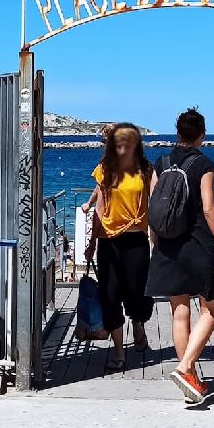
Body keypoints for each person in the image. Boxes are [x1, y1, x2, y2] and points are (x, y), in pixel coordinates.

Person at [146, 108, 214, 404]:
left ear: (177, 132)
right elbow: (208, 207)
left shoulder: (161, 161)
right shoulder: (204, 163)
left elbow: (153, 204)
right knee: (211, 308)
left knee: (179, 311)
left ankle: (191, 378)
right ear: (202, 135)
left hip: (167, 244)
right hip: (197, 243)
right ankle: (185, 368)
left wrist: (154, 239)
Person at [82, 122, 154, 370]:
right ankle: (119, 351)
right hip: (108, 240)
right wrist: (91, 242)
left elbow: (154, 204)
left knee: (138, 292)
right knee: (110, 295)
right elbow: (99, 209)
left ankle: (138, 324)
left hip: (137, 239)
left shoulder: (145, 168)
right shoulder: (104, 170)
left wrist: (159, 238)